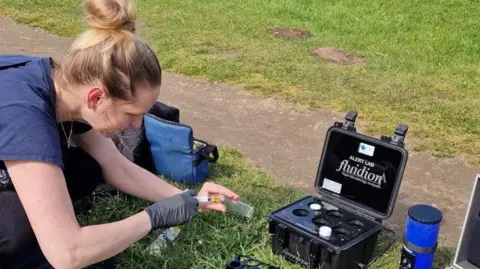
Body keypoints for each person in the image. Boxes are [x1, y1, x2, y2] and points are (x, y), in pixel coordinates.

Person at [0, 0, 240, 268]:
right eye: (130, 114)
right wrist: (153, 217)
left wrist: (187, 198)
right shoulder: (25, 115)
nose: (137, 126)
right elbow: (68, 253)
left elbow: (116, 166)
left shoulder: (65, 88)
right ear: (96, 97)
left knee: (87, 167)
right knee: (17, 230)